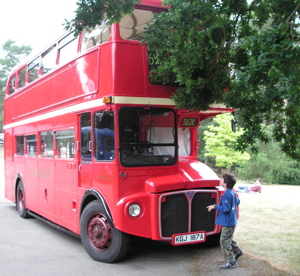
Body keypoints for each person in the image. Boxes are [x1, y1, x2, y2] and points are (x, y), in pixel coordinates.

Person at [207, 174, 243, 269]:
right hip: (232, 221)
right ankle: (238, 251)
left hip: (228, 222)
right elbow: (238, 202)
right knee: (228, 238)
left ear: (225, 183)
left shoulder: (227, 194)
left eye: (222, 179)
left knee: (224, 241)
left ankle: (231, 262)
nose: (220, 179)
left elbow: (226, 208)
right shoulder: (232, 192)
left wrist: (214, 206)